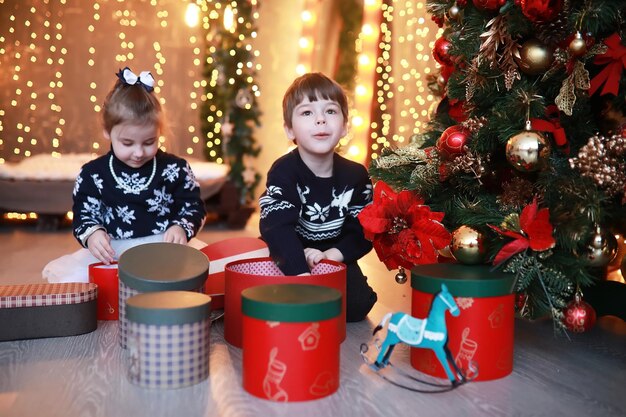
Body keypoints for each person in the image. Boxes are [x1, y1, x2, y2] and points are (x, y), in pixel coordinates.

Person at [43, 67, 207, 283]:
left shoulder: (175, 168)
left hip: (167, 253)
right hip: (115, 255)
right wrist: (92, 234)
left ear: (159, 133)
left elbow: (193, 206)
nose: (139, 153)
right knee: (82, 281)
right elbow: (84, 212)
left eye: (150, 142)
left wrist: (181, 226)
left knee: (204, 271)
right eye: (127, 143)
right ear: (107, 131)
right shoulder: (93, 174)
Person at [259, 72, 377, 322]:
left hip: (332, 251)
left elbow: (364, 230)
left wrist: (333, 255)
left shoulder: (356, 175)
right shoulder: (284, 171)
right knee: (272, 297)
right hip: (290, 247)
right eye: (307, 113)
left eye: (331, 111)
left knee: (356, 306)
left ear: (345, 126)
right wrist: (300, 274)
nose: (321, 120)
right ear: (289, 130)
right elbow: (277, 227)